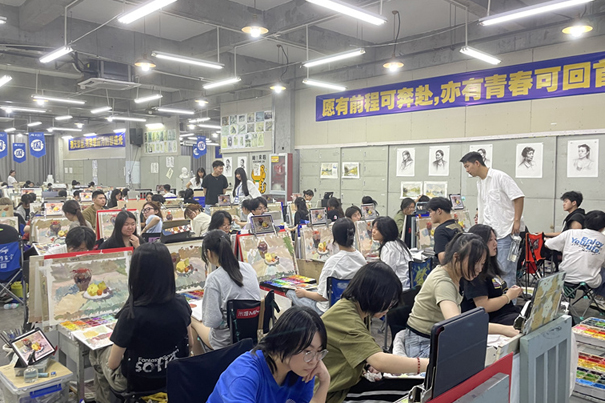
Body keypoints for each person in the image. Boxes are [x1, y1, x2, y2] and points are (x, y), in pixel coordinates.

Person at [89, 243, 192, 403]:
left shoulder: (131, 315)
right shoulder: (181, 304)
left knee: (96, 352)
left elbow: (113, 364)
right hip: (171, 376)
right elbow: (190, 344)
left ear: (137, 274)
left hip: (133, 384)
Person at [321, 263, 429, 403]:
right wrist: (427, 364)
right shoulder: (347, 318)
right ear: (374, 295)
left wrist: (367, 364)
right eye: (389, 302)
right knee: (414, 391)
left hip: (345, 382)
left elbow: (362, 353)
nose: (389, 307)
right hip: (334, 394)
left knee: (413, 387)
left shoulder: (355, 309)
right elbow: (380, 361)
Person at [403, 233, 519, 359]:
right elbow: (458, 324)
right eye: (475, 263)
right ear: (456, 257)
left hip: (438, 339)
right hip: (423, 345)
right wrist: (504, 329)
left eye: (482, 264)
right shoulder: (443, 282)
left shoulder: (456, 276)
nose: (479, 269)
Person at [207, 306, 330, 403]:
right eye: (308, 351)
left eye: (319, 352)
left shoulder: (302, 371)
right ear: (285, 342)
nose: (314, 361)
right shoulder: (244, 375)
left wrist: (325, 381)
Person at [461, 151, 525, 288]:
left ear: (477, 163)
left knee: (505, 271)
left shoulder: (500, 177)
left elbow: (518, 197)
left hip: (505, 232)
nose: (467, 170)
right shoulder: (480, 182)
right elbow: (485, 204)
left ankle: (509, 300)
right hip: (488, 233)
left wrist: (517, 221)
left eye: (467, 166)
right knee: (490, 271)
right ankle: (496, 299)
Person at [191, 230, 260, 351]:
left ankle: (201, 361)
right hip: (251, 338)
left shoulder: (214, 279)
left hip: (225, 343)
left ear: (209, 253)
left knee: (192, 319)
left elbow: (212, 321)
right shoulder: (249, 268)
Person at [287, 218, 365, 315]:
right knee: (313, 289)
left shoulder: (333, 262)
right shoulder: (361, 259)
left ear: (334, 238)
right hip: (354, 308)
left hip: (328, 311)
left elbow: (322, 297)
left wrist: (305, 293)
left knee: (290, 293)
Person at [461, 225, 523, 325]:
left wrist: (510, 293)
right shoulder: (475, 272)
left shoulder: (490, 267)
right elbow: (483, 306)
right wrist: (508, 297)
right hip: (494, 319)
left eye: (495, 239)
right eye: (490, 240)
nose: (495, 243)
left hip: (506, 313)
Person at [545, 210, 605, 306]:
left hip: (565, 277)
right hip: (589, 281)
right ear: (602, 227)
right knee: (601, 271)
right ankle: (599, 298)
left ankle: (567, 297)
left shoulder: (570, 233)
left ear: (585, 222)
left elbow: (548, 244)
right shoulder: (603, 239)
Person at [371, 216, 412, 289]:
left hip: (399, 287)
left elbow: (386, 273)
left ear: (386, 231)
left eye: (377, 229)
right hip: (406, 285)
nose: (373, 231)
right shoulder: (398, 243)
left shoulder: (389, 247)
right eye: (373, 228)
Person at [428, 197, 463, 264]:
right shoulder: (457, 226)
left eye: (430, 211)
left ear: (439, 211)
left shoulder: (441, 230)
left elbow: (443, 259)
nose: (430, 215)